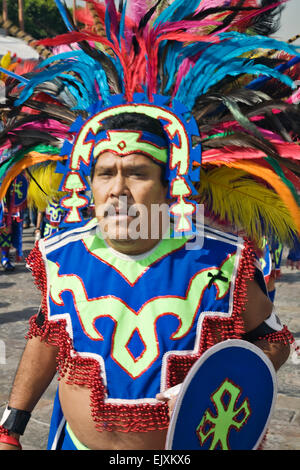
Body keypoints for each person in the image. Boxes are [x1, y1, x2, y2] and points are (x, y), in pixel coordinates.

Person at [0, 0, 299, 451]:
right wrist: (12, 424)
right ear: (89, 181)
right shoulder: (58, 255)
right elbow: (48, 335)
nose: (118, 189)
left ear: (168, 182)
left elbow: (273, 341)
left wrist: (217, 383)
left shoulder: (219, 259)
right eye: (105, 173)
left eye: (137, 172)